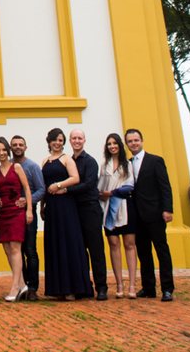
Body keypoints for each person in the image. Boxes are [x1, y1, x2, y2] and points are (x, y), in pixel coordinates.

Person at [41, 128, 93, 300]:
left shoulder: (67, 159)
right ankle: (58, 289)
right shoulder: (45, 161)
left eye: (60, 140)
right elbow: (44, 185)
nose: (57, 143)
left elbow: (75, 178)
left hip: (65, 205)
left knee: (67, 243)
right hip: (51, 207)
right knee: (55, 244)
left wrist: (59, 185)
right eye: (54, 140)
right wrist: (42, 206)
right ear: (49, 141)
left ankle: (72, 288)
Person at [58, 129, 108, 300]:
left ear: (84, 141)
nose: (77, 141)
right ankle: (85, 286)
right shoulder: (68, 161)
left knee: (96, 250)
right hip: (74, 210)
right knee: (79, 250)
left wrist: (65, 189)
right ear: (70, 141)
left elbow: (88, 184)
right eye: (74, 138)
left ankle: (102, 287)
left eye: (79, 138)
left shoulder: (90, 161)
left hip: (90, 209)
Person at [126, 128, 175, 301]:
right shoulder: (127, 164)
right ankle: (148, 287)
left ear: (141, 141)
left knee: (162, 251)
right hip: (137, 215)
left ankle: (167, 289)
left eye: (136, 140)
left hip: (155, 214)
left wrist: (168, 209)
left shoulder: (155, 161)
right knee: (144, 252)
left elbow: (165, 186)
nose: (134, 143)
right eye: (130, 141)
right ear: (127, 144)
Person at [0, 137, 33, 302]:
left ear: (8, 151)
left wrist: (29, 210)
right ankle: (22, 284)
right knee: (7, 250)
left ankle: (15, 287)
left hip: (17, 212)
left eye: (3, 150)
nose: (1, 153)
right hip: (3, 213)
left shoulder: (17, 167)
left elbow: (27, 188)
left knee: (16, 249)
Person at [98, 132, 137, 298]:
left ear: (120, 145)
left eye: (114, 143)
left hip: (125, 206)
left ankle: (133, 285)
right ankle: (119, 284)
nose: (112, 146)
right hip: (109, 210)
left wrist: (112, 193)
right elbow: (100, 187)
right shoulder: (104, 165)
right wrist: (103, 194)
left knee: (129, 244)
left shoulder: (128, 164)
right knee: (114, 244)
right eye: (109, 144)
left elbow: (129, 186)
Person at [9, 135, 46, 301]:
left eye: (20, 145)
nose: (18, 147)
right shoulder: (7, 166)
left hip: (27, 213)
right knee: (16, 251)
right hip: (11, 213)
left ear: (25, 147)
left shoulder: (32, 167)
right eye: (15, 145)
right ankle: (20, 285)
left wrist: (28, 202)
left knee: (30, 250)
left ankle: (32, 288)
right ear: (10, 148)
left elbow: (41, 189)